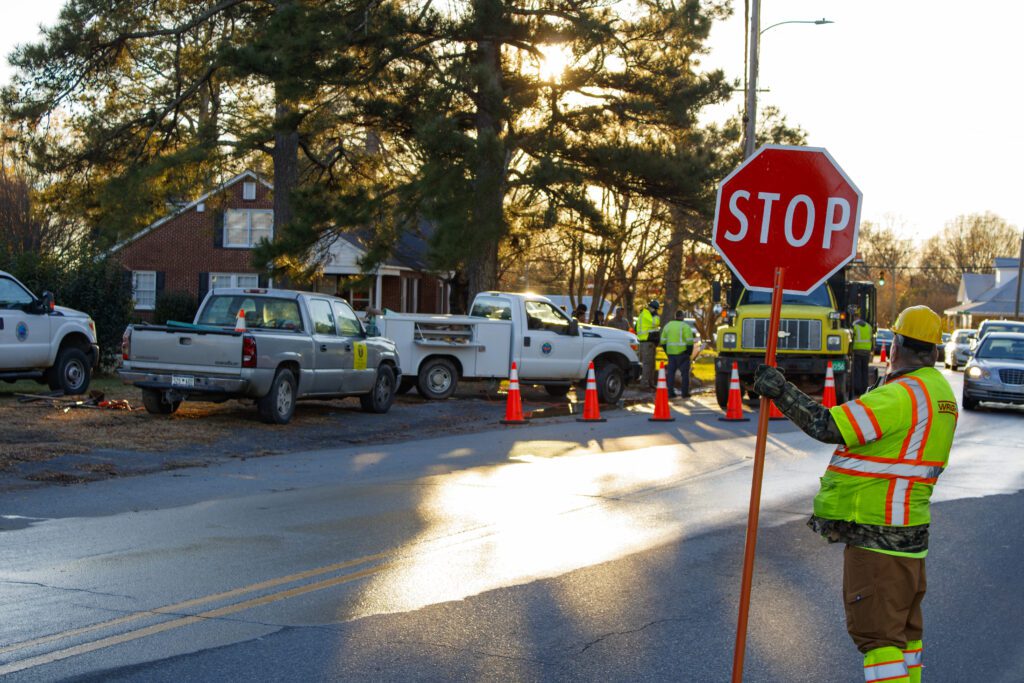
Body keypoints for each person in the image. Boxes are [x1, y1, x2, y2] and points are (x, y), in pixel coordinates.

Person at [753, 305, 956, 683]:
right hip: (910, 532)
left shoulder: (902, 395)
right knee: (904, 638)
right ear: (934, 350)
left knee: (878, 640)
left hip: (877, 531)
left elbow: (827, 425)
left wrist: (780, 390)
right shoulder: (939, 390)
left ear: (895, 345)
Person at [660, 310, 694, 398]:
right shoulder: (685, 326)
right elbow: (690, 341)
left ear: (675, 316)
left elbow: (663, 341)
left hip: (671, 354)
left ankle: (670, 392)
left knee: (671, 373)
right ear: (682, 317)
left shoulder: (668, 326)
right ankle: (684, 393)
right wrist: (689, 352)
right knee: (684, 374)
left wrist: (667, 351)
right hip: (683, 354)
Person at [636, 299, 661, 388]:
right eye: (656, 309)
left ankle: (650, 383)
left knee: (651, 364)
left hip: (648, 342)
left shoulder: (645, 314)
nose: (656, 311)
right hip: (647, 342)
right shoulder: (647, 314)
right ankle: (645, 384)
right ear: (652, 308)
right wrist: (656, 315)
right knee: (647, 364)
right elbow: (656, 322)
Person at [851, 309, 873, 396]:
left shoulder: (854, 326)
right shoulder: (869, 326)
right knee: (865, 371)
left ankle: (857, 390)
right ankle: (864, 389)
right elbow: (871, 339)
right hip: (866, 351)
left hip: (857, 351)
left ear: (854, 317)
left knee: (857, 371)